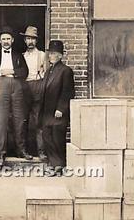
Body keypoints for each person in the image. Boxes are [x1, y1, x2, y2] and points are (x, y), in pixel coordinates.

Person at [0, 27, 32, 168]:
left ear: (12, 40)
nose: (6, 41)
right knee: (0, 120)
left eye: (8, 39)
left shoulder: (18, 54)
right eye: (3, 39)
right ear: (0, 41)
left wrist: (12, 71)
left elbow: (25, 71)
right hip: (1, 85)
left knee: (19, 119)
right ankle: (1, 154)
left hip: (16, 85)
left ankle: (21, 150)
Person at [40, 40, 75, 174]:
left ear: (60, 56)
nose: (50, 56)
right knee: (47, 137)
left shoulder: (66, 71)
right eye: (50, 53)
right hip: (47, 112)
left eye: (53, 54)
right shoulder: (49, 71)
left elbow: (68, 92)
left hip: (58, 112)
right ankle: (54, 164)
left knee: (57, 138)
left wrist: (61, 108)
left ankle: (59, 166)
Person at [20, 26, 47, 160]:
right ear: (25, 40)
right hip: (25, 87)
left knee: (38, 122)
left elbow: (46, 74)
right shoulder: (22, 56)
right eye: (28, 38)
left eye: (33, 39)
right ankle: (24, 151)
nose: (30, 41)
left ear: (36, 41)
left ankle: (41, 151)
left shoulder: (42, 55)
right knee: (23, 121)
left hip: (38, 86)